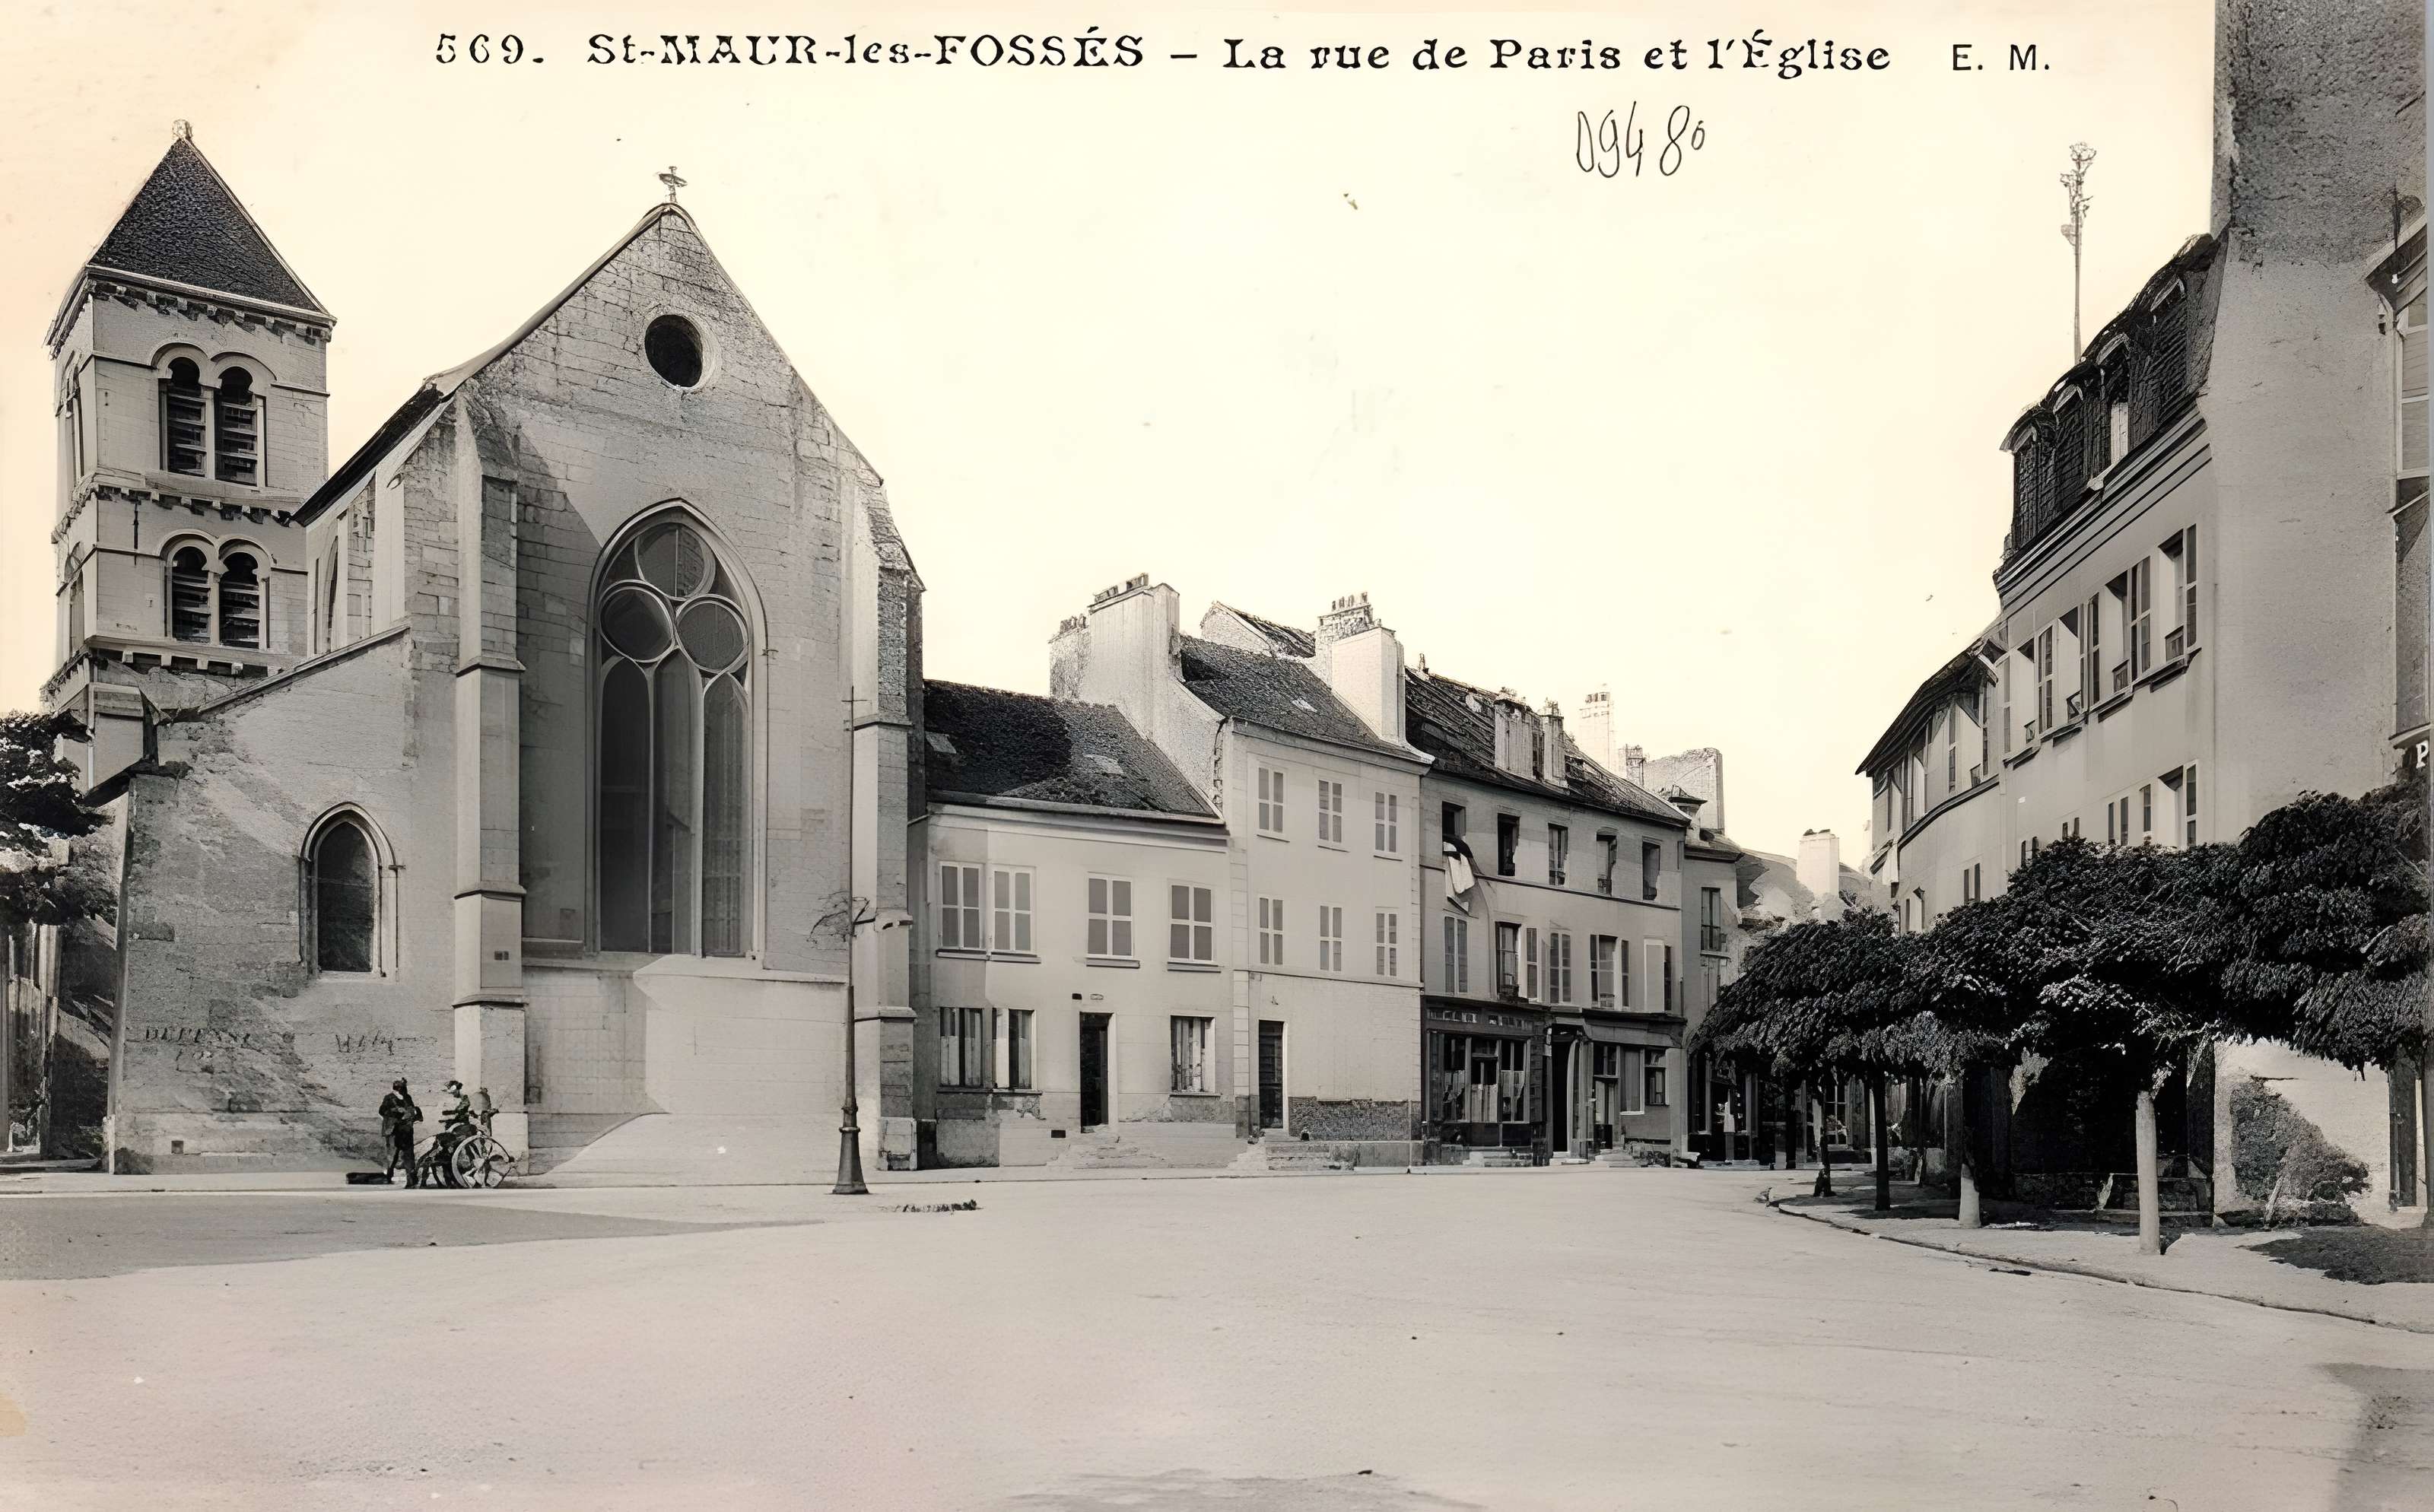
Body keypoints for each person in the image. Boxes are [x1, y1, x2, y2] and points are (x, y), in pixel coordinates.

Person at [379, 1079, 421, 1187]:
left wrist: (412, 1113)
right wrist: (395, 1111)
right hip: (393, 1130)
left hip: (406, 1130)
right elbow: (382, 1111)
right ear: (397, 1089)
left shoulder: (408, 1097)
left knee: (409, 1154)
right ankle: (388, 1177)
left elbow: (412, 1109)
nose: (403, 1091)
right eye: (401, 1089)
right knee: (393, 1155)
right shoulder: (389, 1098)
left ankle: (411, 1180)